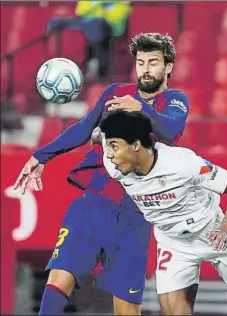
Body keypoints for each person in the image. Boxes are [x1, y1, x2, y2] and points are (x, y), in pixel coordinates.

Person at [13, 33, 189, 315]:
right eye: (141, 62)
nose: (145, 69)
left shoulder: (175, 101)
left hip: (135, 215)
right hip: (93, 202)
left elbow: (170, 130)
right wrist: (41, 155)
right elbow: (84, 128)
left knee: (126, 308)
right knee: (60, 276)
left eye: (153, 62)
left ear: (168, 67)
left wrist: (140, 108)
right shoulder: (115, 93)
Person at [99, 110, 227, 316]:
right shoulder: (115, 164)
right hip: (172, 242)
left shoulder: (182, 164)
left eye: (114, 146)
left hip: (211, 232)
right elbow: (99, 135)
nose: (109, 154)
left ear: (136, 145)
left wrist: (225, 230)